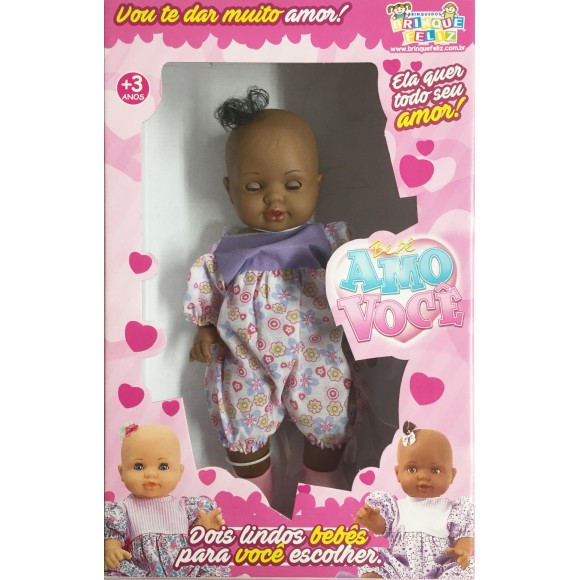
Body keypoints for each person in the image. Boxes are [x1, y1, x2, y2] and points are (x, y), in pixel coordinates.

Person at [184, 87, 355, 500]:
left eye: (292, 184)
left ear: (317, 184)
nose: (275, 197)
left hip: (316, 355)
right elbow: (209, 301)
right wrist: (205, 330)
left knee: (329, 421)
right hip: (246, 358)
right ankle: (254, 499)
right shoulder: (225, 252)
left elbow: (360, 287)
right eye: (254, 185)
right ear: (230, 189)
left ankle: (323, 496)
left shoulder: (331, 243)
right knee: (242, 427)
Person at [104, 423, 229, 577]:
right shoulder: (123, 509)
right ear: (122, 472)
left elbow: (196, 538)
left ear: (179, 472)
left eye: (163, 467)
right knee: (114, 568)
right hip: (144, 571)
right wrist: (112, 549)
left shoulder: (184, 507)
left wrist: (202, 528)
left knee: (212, 571)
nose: (151, 474)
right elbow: (113, 534)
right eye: (138, 466)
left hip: (185, 567)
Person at [354, 421, 474, 578]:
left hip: (440, 572)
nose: (423, 476)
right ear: (398, 473)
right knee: (372, 563)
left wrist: (462, 550)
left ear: (452, 475)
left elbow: (465, 534)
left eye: (435, 470)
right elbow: (383, 528)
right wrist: (374, 522)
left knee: (469, 569)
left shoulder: (455, 510)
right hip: (399, 569)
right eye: (412, 469)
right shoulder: (395, 508)